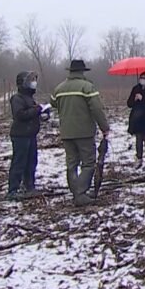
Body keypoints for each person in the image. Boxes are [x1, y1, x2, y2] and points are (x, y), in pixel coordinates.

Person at [51, 59, 110, 206]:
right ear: (82, 72)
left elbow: (53, 103)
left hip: (66, 132)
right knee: (88, 163)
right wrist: (104, 127)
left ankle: (75, 192)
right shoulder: (87, 87)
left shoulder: (59, 88)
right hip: (84, 132)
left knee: (71, 164)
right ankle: (80, 193)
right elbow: (97, 109)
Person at [7, 71, 49, 201]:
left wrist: (43, 114)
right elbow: (20, 115)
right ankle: (13, 190)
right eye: (30, 80)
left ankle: (29, 186)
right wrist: (37, 110)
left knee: (31, 162)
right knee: (19, 162)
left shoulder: (29, 98)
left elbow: (31, 114)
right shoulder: (17, 98)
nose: (33, 83)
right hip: (20, 135)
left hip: (30, 134)